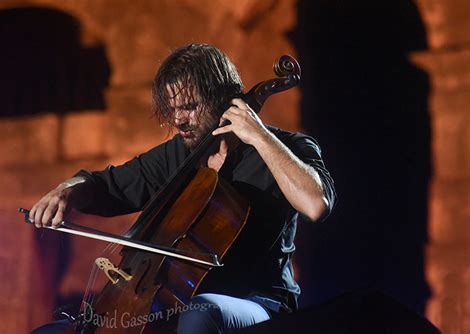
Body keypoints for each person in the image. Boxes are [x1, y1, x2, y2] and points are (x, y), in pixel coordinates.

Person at [30, 44, 336, 333]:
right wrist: (68, 189)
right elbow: (104, 185)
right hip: (178, 302)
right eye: (172, 109)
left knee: (200, 314)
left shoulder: (288, 148)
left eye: (189, 107)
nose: (178, 119)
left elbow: (316, 204)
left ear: (224, 99)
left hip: (259, 302)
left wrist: (258, 135)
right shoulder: (178, 156)